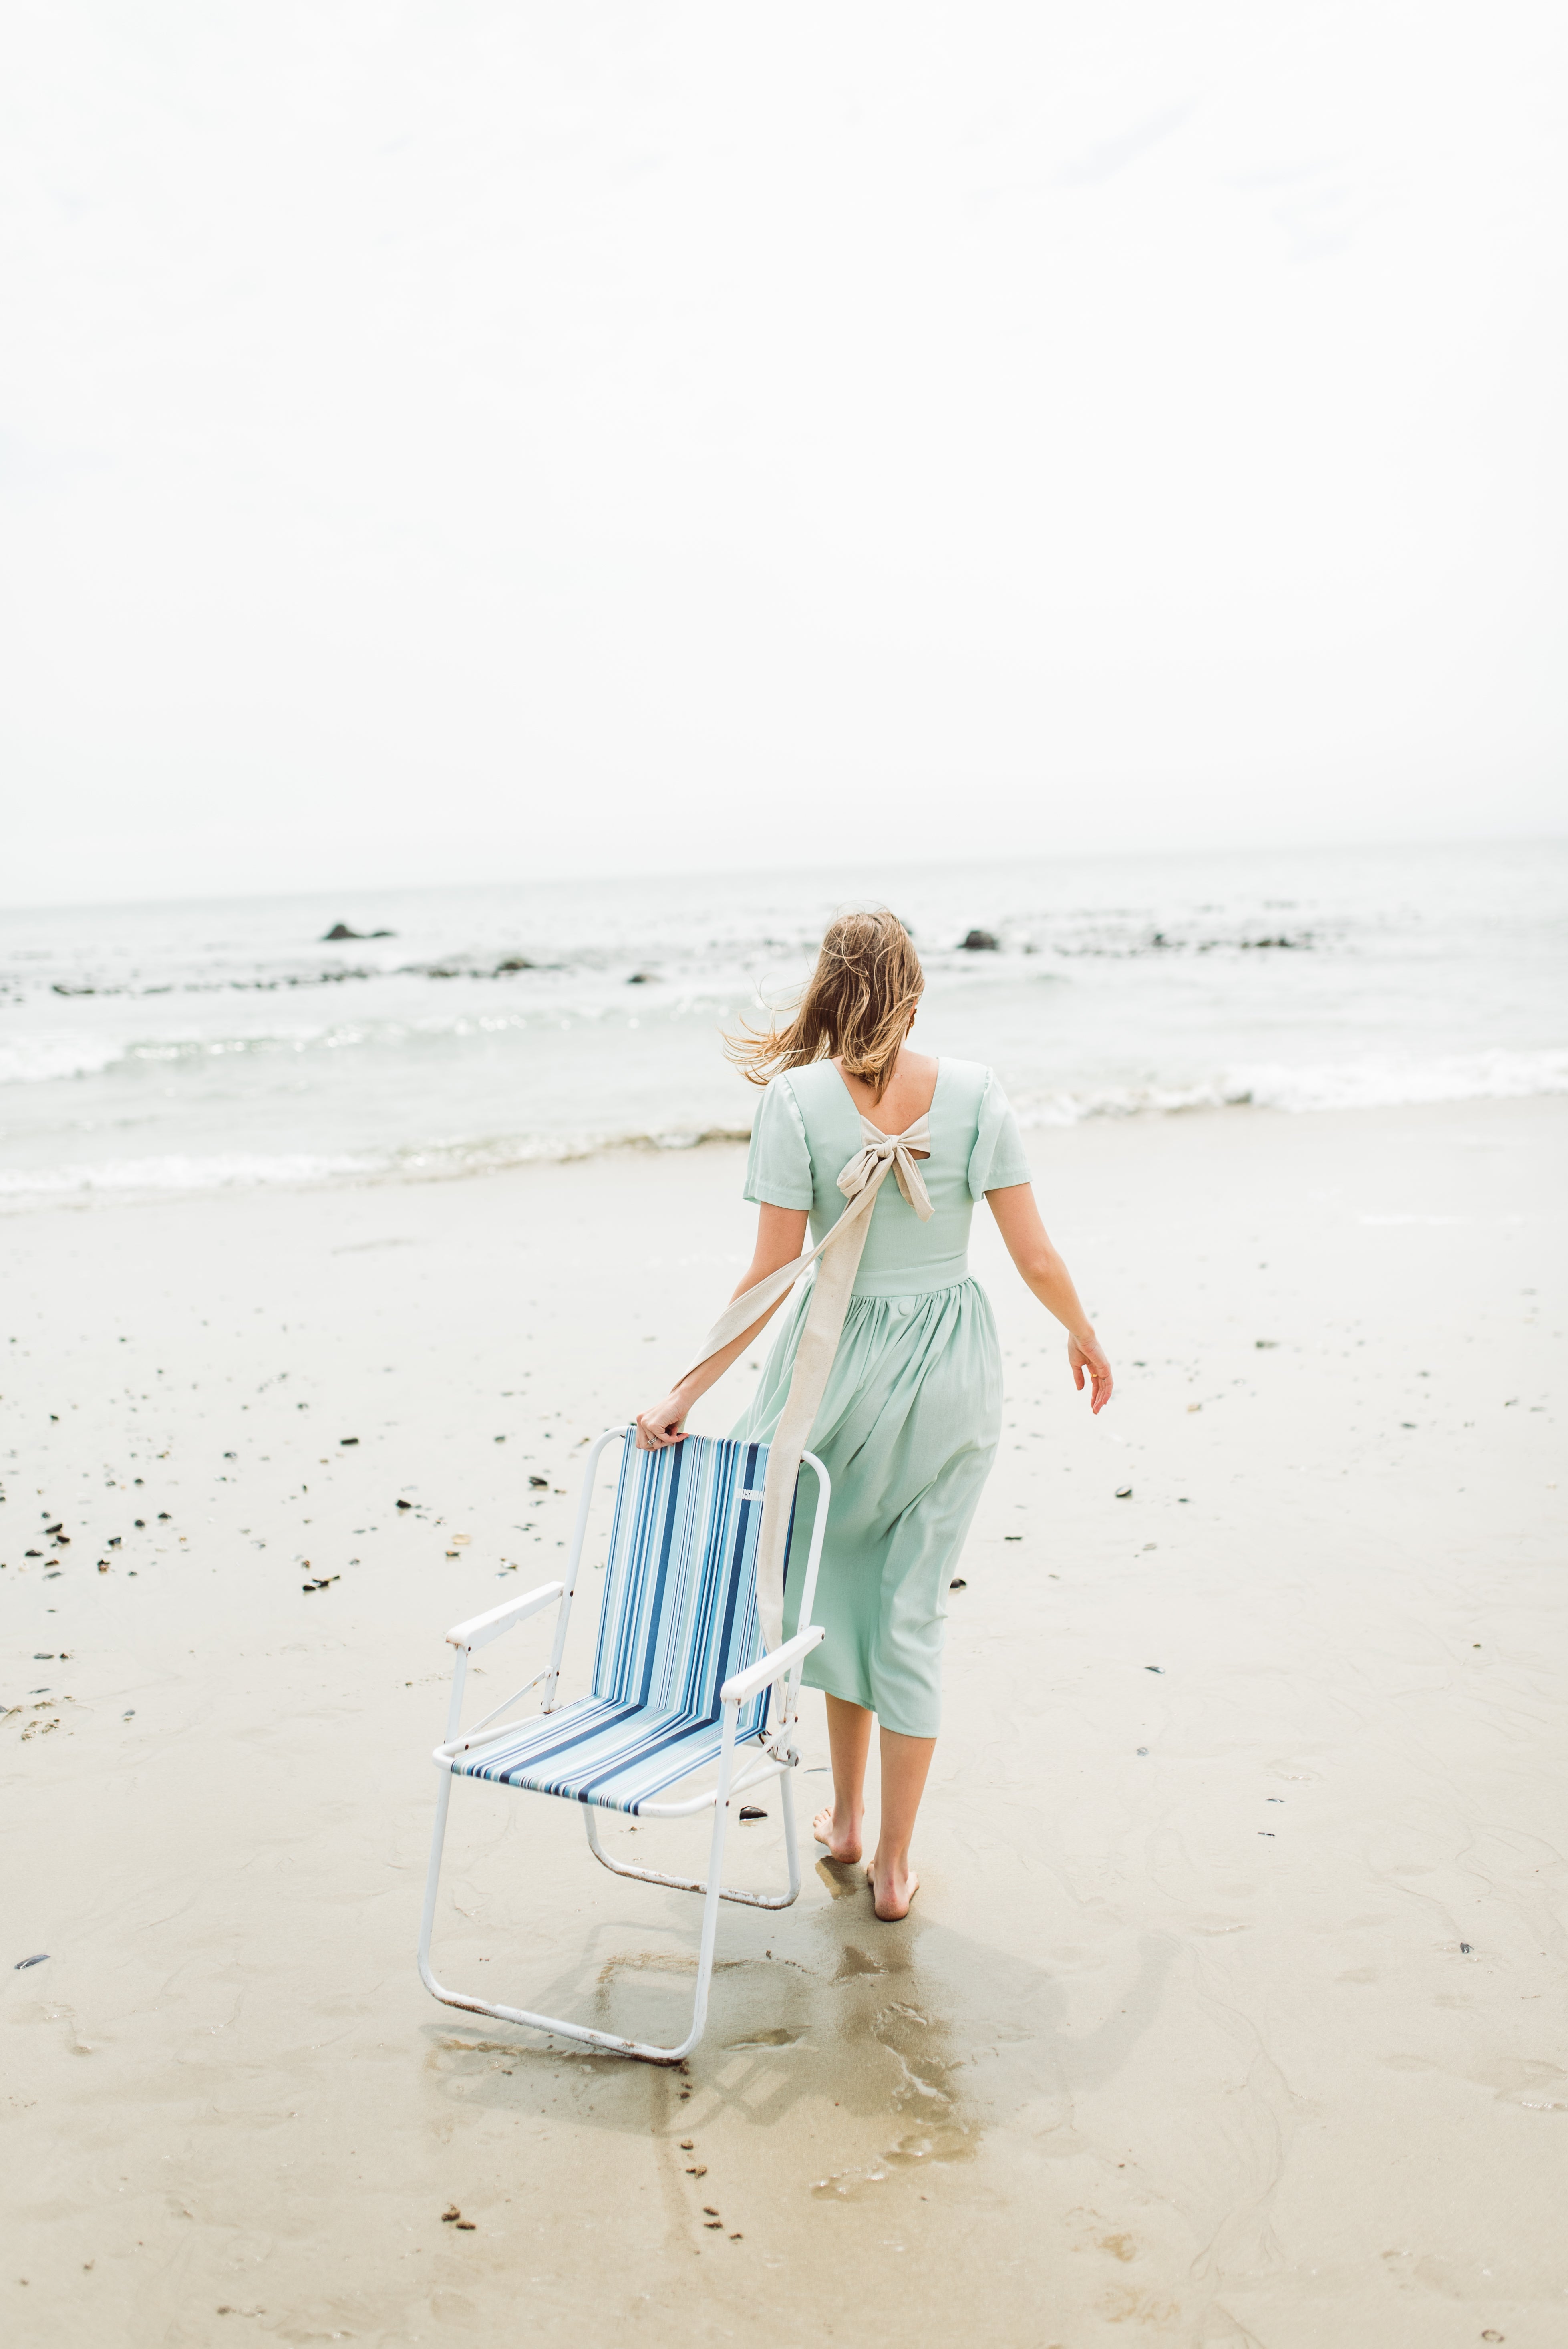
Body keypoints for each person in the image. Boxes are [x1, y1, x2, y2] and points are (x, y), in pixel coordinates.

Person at [636, 909, 1112, 1921]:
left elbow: (770, 1275)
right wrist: (1082, 1331)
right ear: (916, 987)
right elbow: (1031, 1253)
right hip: (952, 1373)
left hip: (832, 1376)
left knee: (830, 1599)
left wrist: (685, 1389)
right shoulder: (977, 1093)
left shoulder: (795, 1104)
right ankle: (890, 1864)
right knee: (909, 1611)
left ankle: (844, 1818)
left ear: (822, 986)